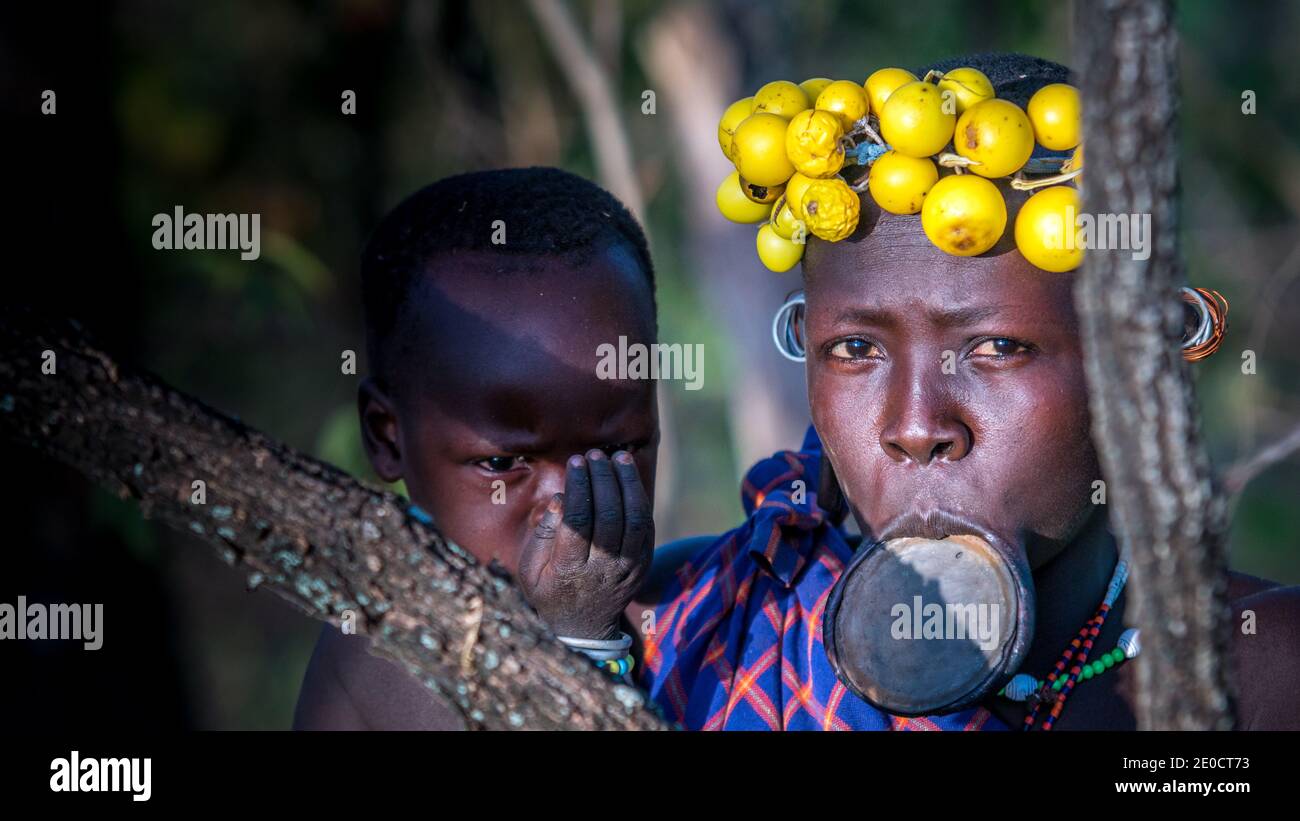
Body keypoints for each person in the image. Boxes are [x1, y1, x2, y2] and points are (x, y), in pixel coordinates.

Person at [626, 52, 1300, 730]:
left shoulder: (1264, 674)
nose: (916, 426)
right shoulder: (690, 625)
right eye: (855, 349)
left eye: (997, 348)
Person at [293, 167, 661, 729]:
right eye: (501, 463)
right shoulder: (389, 643)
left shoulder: (671, 599)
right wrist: (577, 642)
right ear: (387, 437)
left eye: (620, 448)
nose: (569, 510)